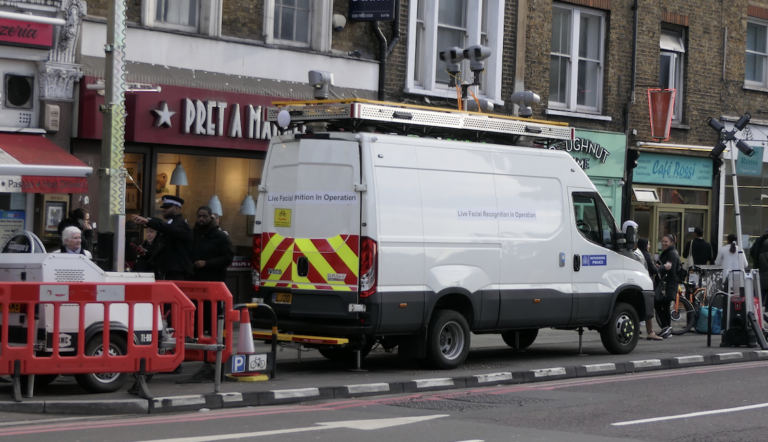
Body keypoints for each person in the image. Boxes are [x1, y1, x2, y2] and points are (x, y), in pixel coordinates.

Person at [130, 195, 193, 280]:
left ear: (177, 209)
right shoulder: (167, 226)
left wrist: (149, 221)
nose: (164, 210)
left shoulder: (182, 225)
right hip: (164, 273)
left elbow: (170, 229)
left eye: (167, 207)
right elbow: (160, 252)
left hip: (177, 273)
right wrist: (145, 254)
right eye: (164, 207)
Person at [190, 206, 234, 282]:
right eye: (199, 216)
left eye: (204, 216)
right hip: (193, 277)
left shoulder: (220, 236)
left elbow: (228, 258)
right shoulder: (192, 234)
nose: (201, 219)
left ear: (210, 218)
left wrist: (206, 263)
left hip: (213, 278)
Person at [638, 237, 663, 341]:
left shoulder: (637, 254)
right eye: (648, 244)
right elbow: (653, 270)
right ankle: (650, 332)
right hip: (647, 283)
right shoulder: (646, 255)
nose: (649, 246)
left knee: (638, 307)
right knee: (648, 307)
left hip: (638, 283)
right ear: (645, 245)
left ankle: (637, 331)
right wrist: (661, 267)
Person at [656, 234, 680, 339]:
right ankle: (666, 328)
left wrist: (661, 267)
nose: (663, 243)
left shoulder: (672, 253)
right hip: (666, 282)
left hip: (669, 283)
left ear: (671, 242)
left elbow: (670, 268)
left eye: (666, 241)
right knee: (663, 305)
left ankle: (666, 328)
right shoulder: (667, 252)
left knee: (660, 303)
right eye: (663, 241)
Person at [753, 229, 768, 307]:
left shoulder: (760, 255)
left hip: (760, 273)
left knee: (760, 291)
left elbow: (752, 251)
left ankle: (758, 306)